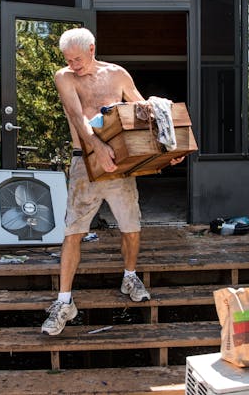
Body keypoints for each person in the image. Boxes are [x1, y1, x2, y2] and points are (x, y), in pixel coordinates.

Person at [41, 27, 183, 336]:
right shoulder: (63, 77)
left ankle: (129, 277)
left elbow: (144, 111)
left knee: (131, 228)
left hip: (121, 166)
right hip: (84, 163)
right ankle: (64, 302)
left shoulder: (117, 74)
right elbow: (77, 117)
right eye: (68, 59)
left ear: (92, 49)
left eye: (77, 59)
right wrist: (97, 147)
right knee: (73, 232)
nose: (72, 65)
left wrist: (167, 149)